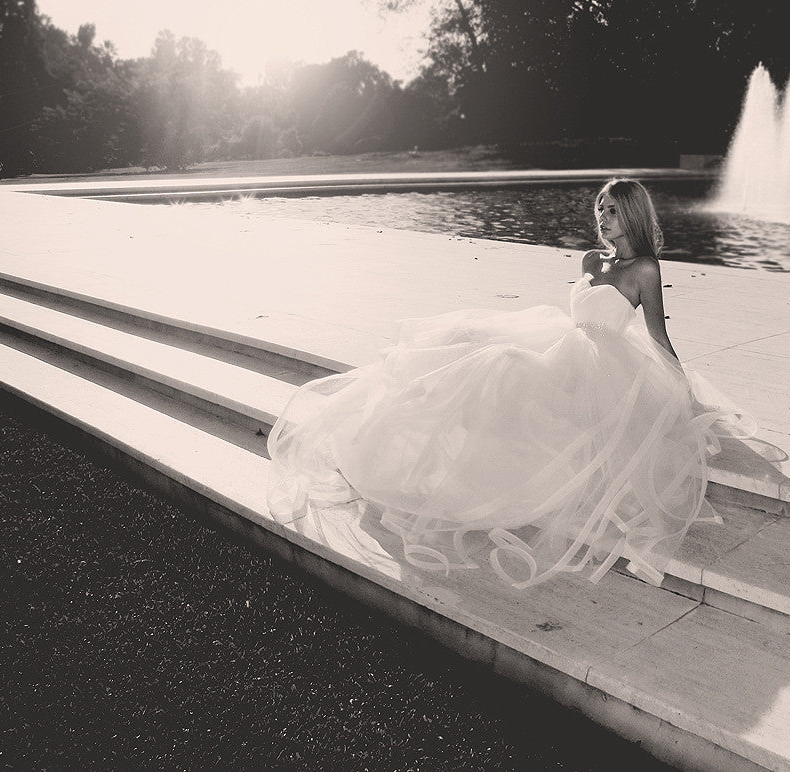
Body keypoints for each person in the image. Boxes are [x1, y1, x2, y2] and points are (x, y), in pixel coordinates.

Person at [267, 178, 752, 589]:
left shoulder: (644, 269)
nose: (603, 218)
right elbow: (578, 315)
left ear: (632, 215)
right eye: (599, 209)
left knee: (503, 367)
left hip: (602, 365)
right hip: (565, 345)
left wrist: (681, 393)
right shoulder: (589, 261)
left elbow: (657, 336)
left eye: (613, 211)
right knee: (472, 344)